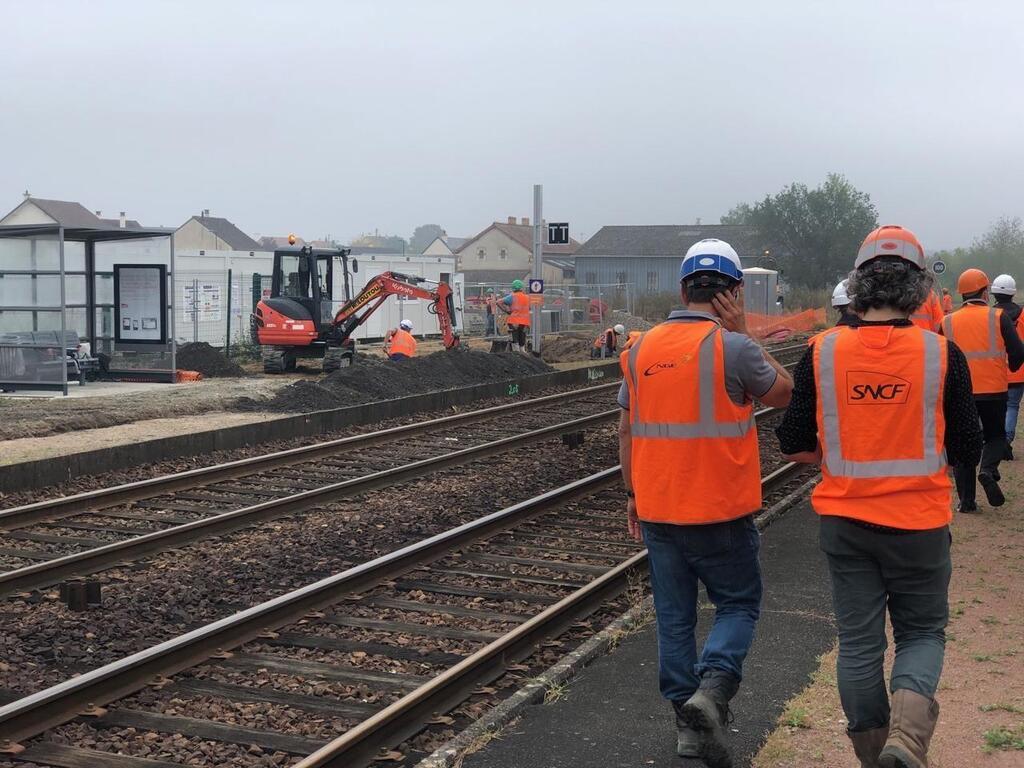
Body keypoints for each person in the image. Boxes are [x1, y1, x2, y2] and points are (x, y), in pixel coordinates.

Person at [777, 224, 982, 768]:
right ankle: (907, 743)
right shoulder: (942, 355)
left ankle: (873, 756)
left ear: (858, 284)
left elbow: (792, 441)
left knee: (859, 641)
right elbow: (967, 444)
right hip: (919, 524)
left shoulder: (821, 353)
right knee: (921, 631)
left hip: (846, 524)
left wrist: (846, 455)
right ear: (919, 289)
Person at [618, 238, 793, 766]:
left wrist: (632, 494)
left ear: (681, 288)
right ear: (735, 292)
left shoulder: (639, 348)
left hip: (658, 512)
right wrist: (743, 331)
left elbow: (625, 429)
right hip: (720, 513)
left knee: (673, 618)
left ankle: (687, 729)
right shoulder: (733, 347)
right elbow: (785, 393)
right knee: (737, 603)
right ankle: (712, 692)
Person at [941, 269, 1024, 510]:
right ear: (985, 292)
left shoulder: (946, 321)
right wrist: (1012, 365)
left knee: (964, 444)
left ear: (961, 293)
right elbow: (1018, 351)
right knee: (996, 436)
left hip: (960, 392)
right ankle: (987, 470)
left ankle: (967, 502)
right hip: (994, 389)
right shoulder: (998, 317)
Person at [990, 274, 1024, 459]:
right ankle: (1006, 440)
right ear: (1013, 293)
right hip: (1018, 372)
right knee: (1012, 406)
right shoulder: (1023, 314)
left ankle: (994, 440)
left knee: (997, 408)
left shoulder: (990, 316)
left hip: (994, 371)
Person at [500, 279, 531, 352]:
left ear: (513, 288)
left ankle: (516, 354)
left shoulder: (512, 297)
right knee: (522, 339)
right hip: (524, 322)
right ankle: (523, 353)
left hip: (514, 321)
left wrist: (506, 310)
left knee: (515, 339)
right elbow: (529, 308)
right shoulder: (527, 297)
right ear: (521, 288)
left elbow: (499, 302)